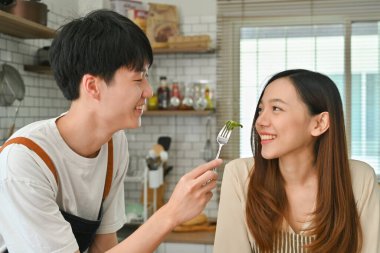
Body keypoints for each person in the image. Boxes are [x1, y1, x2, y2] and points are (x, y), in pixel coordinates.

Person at [0, 9, 222, 253]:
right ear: (93, 86)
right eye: (138, 79)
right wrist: (170, 214)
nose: (148, 91)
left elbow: (104, 247)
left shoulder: (115, 143)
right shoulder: (23, 162)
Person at [214, 69, 380, 253]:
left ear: (319, 123)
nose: (259, 121)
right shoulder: (239, 175)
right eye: (261, 109)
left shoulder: (360, 179)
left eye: (276, 108)